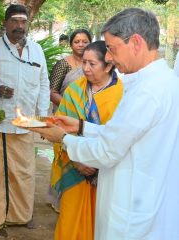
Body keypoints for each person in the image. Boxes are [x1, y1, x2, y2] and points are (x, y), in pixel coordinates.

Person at [30, 8, 179, 240]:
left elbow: (107, 151)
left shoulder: (147, 92)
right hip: (150, 202)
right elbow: (123, 134)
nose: (108, 57)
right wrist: (81, 127)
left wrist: (61, 137)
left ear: (136, 43)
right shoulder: (164, 82)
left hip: (133, 213)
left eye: (111, 48)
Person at [0, 4, 50, 235]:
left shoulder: (36, 51)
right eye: (15, 21)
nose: (19, 26)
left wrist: (42, 118)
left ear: (28, 24)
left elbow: (44, 84)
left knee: (25, 172)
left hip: (25, 123)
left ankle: (22, 215)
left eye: (23, 21)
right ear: (5, 23)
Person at [51, 41, 123, 240]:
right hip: (75, 168)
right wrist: (77, 160)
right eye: (84, 63)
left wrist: (96, 162)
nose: (86, 69)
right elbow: (59, 128)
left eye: (92, 64)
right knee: (70, 222)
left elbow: (120, 138)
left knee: (102, 224)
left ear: (108, 65)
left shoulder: (123, 94)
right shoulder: (74, 90)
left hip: (107, 173)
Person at [50, 29, 92, 108]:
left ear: (90, 44)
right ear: (71, 45)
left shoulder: (96, 63)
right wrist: (71, 107)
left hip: (91, 111)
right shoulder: (63, 64)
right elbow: (52, 93)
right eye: (76, 42)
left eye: (85, 42)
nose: (81, 45)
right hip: (66, 111)